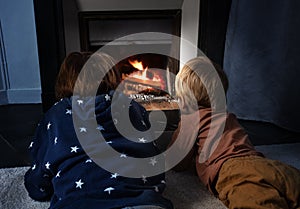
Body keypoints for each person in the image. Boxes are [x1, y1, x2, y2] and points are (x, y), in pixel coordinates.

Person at [24, 51, 173, 209]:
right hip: (141, 200)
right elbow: (153, 160)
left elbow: (40, 179)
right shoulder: (131, 106)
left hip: (79, 202)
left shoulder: (57, 114)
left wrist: (37, 188)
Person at [169, 56, 300, 209]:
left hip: (232, 169)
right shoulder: (227, 116)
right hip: (266, 164)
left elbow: (178, 161)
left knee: (257, 201)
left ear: (185, 98)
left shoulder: (192, 119)